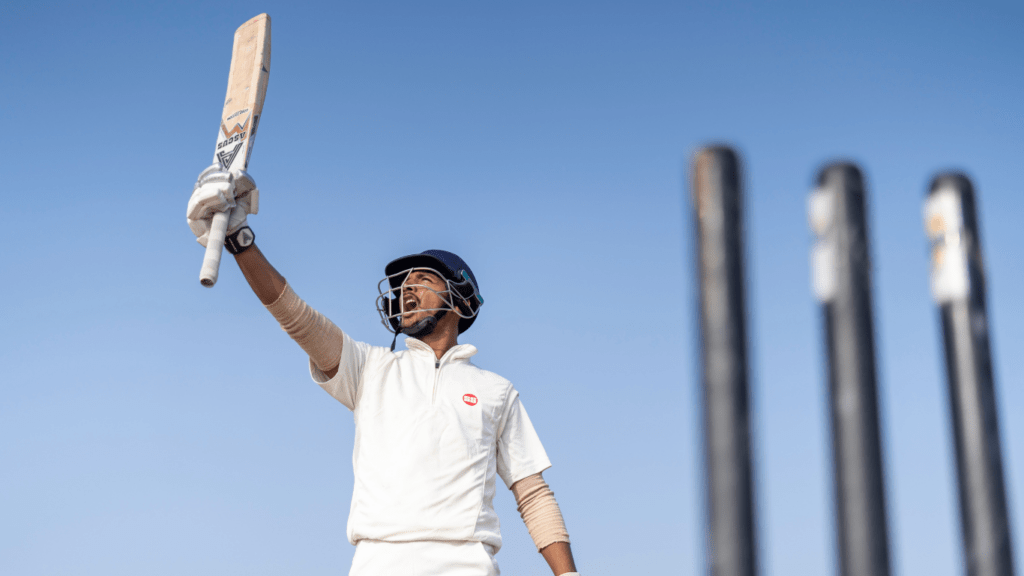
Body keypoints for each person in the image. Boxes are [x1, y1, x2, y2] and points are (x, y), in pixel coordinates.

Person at [187, 166, 581, 576]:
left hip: (467, 565)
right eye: (403, 284)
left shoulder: (495, 390)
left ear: (462, 302)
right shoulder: (371, 368)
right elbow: (296, 318)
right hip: (378, 562)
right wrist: (240, 241)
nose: (406, 289)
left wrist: (567, 575)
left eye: (423, 279)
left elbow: (532, 494)